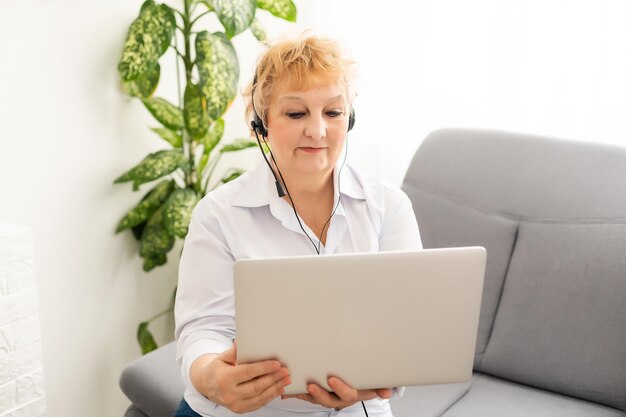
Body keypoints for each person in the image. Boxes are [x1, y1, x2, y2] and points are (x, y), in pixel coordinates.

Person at [173, 34, 422, 417]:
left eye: (334, 113)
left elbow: (406, 331)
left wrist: (380, 378)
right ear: (261, 124)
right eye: (295, 113)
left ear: (349, 118)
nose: (318, 131)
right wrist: (211, 378)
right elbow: (203, 330)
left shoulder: (389, 206)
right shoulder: (218, 215)